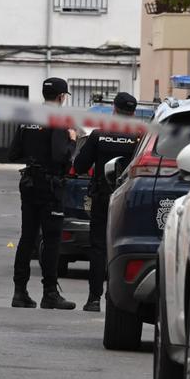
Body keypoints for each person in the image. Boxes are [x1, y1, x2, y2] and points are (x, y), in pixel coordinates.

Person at [8, 77, 78, 310]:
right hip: (50, 186)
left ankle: (20, 292)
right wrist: (72, 142)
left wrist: (34, 156)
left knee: (27, 237)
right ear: (60, 97)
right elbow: (60, 155)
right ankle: (50, 293)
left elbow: (13, 153)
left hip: (29, 182)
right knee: (51, 240)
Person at [73, 92, 140, 312]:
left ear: (114, 109)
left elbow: (80, 165)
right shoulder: (139, 140)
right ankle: (117, 299)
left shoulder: (98, 136)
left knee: (98, 248)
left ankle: (93, 299)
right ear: (133, 113)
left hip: (102, 198)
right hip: (129, 202)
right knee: (124, 248)